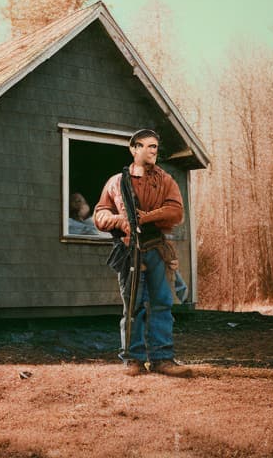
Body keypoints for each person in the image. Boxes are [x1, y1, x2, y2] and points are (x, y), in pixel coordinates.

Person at [93, 129, 193, 378]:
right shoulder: (117, 182)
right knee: (133, 307)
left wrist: (146, 217)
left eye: (155, 147)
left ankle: (163, 359)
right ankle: (133, 359)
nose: (152, 151)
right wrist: (118, 220)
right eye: (147, 146)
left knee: (162, 304)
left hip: (157, 250)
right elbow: (99, 214)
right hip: (129, 251)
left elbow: (176, 212)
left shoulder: (166, 180)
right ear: (133, 149)